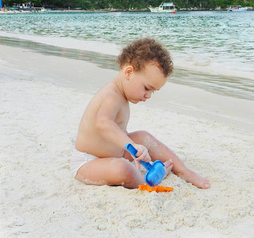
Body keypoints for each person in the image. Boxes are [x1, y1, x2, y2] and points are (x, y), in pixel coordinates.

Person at [70, 38, 210, 189]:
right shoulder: (111, 96)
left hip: (114, 153)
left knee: (144, 137)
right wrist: (131, 145)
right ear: (129, 72)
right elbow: (103, 124)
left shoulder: (122, 95)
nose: (148, 96)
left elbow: (118, 130)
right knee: (123, 169)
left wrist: (136, 145)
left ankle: (183, 170)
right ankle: (145, 180)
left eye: (153, 92)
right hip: (89, 162)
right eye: (146, 88)